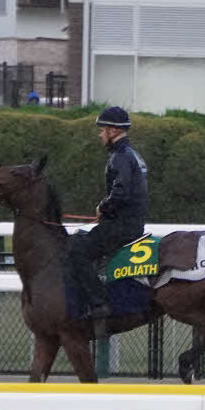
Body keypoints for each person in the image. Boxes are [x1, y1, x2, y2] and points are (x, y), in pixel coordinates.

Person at [68, 106, 148, 321]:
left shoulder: (120, 156)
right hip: (129, 224)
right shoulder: (132, 154)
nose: (100, 134)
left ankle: (99, 303)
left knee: (75, 248)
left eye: (102, 130)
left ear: (113, 131)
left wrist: (102, 207)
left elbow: (120, 194)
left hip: (120, 228)